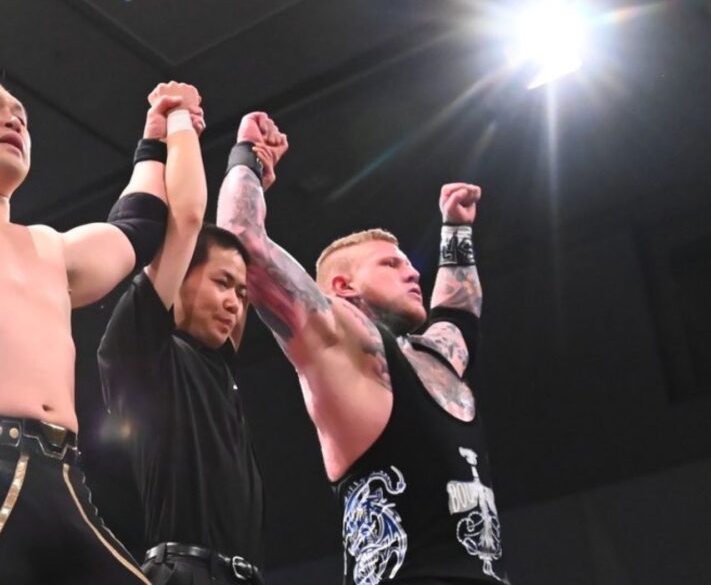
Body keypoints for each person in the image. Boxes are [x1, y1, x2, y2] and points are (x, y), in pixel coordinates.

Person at [217, 112, 511, 584]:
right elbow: (243, 244)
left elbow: (459, 315)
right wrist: (247, 159)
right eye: (390, 264)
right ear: (343, 287)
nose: (413, 272)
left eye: (408, 264)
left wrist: (455, 230)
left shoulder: (435, 358)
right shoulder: (342, 341)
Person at [0, 80, 202, 583]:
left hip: (63, 479)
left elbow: (138, 227)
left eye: (21, 112)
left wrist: (154, 140)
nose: (14, 119)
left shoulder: (50, 248)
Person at [97, 111, 288, 585]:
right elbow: (183, 222)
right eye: (222, 283)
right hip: (182, 573)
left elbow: (243, 240)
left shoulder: (221, 367)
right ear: (180, 276)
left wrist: (248, 165)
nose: (235, 302)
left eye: (241, 293)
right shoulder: (149, 357)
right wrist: (173, 128)